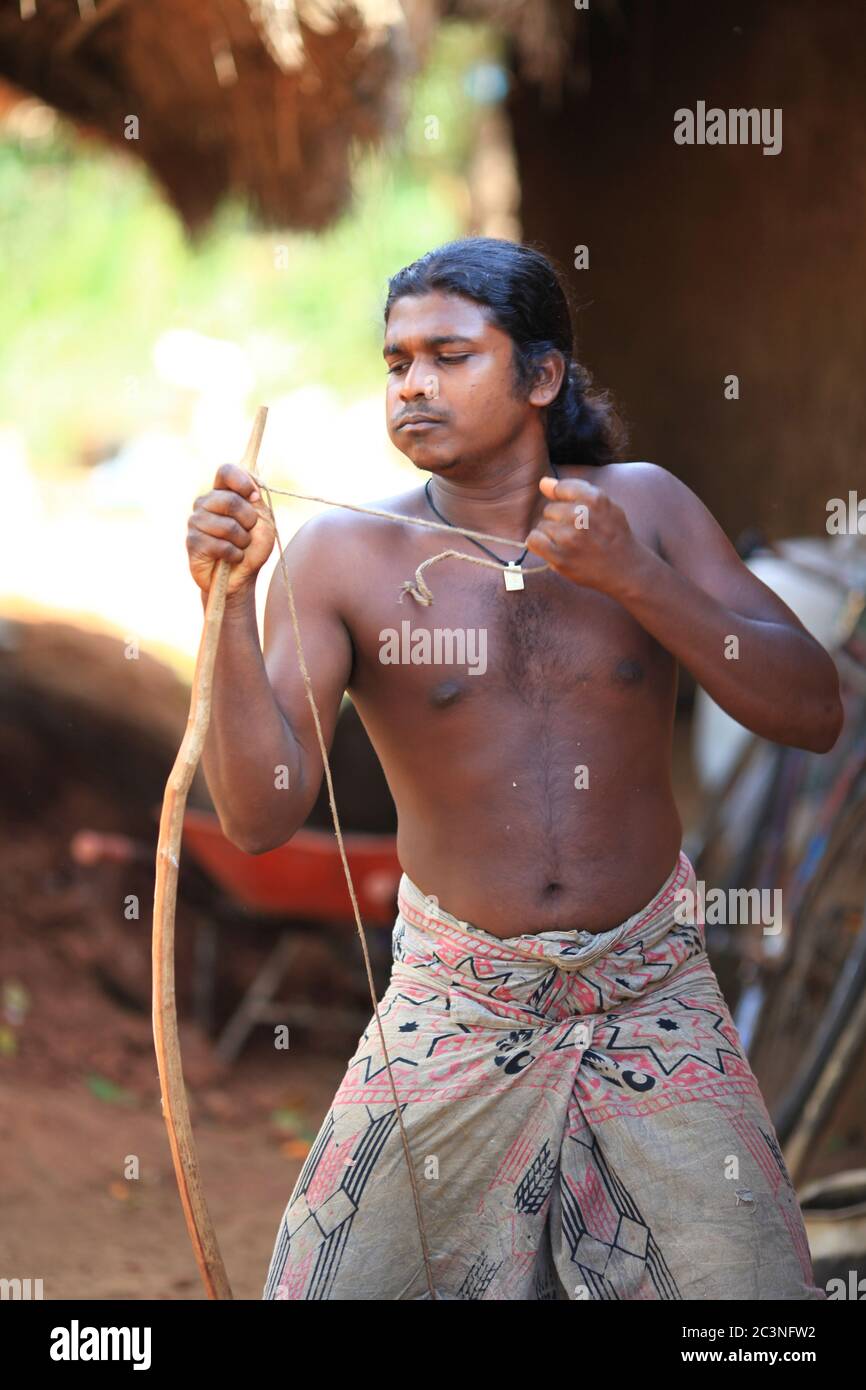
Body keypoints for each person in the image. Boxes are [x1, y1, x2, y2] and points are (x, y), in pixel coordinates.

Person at [185, 237, 842, 1300]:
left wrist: (632, 575)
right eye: (395, 363)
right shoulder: (340, 556)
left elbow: (810, 709)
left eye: (449, 355)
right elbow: (258, 818)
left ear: (540, 376)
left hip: (649, 997)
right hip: (456, 1007)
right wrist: (218, 611)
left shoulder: (646, 509)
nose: (412, 386)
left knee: (756, 1311)